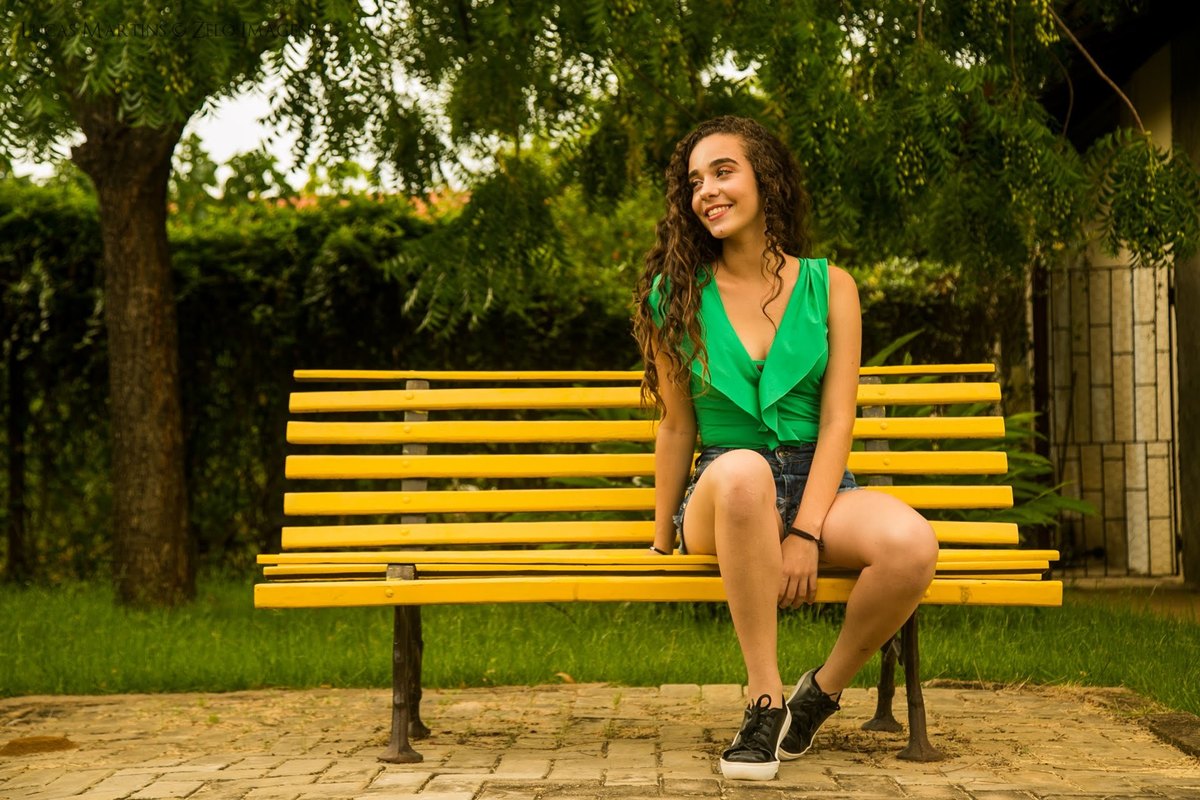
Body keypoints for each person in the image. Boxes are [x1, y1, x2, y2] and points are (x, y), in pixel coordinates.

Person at [632, 116, 939, 782]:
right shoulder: (673, 296)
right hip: (725, 492)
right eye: (694, 182)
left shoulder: (831, 287)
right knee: (744, 471)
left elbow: (837, 422)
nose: (707, 191)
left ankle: (818, 695)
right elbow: (678, 426)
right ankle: (763, 701)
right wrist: (660, 536)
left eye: (723, 172)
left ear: (765, 180)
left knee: (912, 545)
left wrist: (806, 530)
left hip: (814, 486)